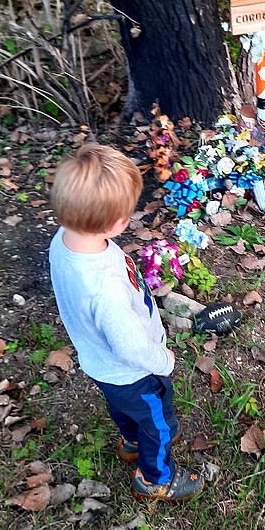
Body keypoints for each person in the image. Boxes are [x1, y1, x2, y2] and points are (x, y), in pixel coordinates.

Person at [48, 143, 204, 502]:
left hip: (102, 367)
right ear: (115, 223)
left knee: (122, 409)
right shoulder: (105, 289)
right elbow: (131, 347)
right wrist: (163, 361)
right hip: (134, 372)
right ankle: (156, 478)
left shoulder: (64, 241)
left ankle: (132, 441)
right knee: (157, 422)